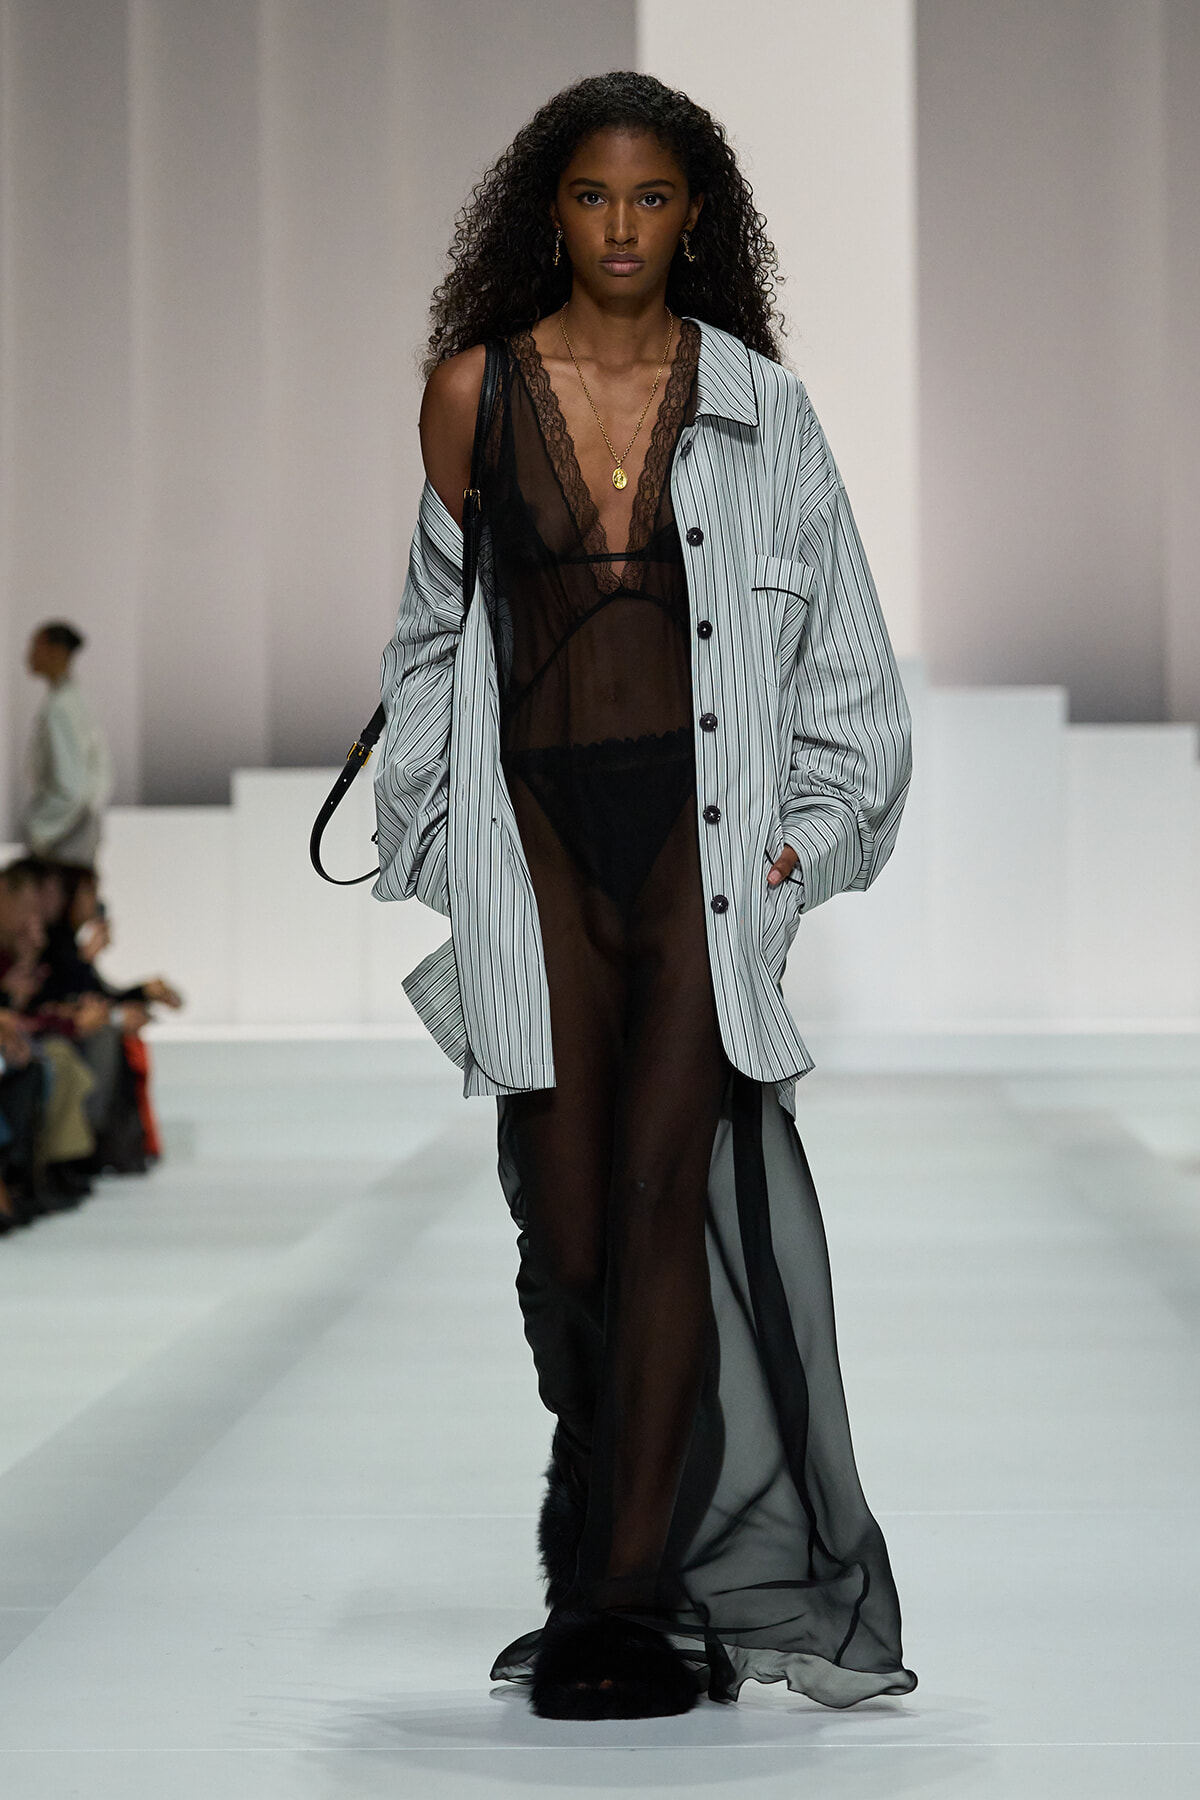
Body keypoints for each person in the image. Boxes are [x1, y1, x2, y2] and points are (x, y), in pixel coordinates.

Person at [374, 71, 915, 1720]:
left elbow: (848, 667)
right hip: (535, 835)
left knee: (665, 1203)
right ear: (551, 212)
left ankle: (619, 1604)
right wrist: (436, 839)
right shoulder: (470, 393)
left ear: (699, 219)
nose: (622, 229)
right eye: (594, 200)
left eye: (653, 200)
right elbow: (424, 636)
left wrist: (807, 845)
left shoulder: (763, 409)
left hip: (696, 843)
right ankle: (619, 1530)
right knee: (575, 1227)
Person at [23, 622, 111, 866]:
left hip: (65, 831)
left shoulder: (61, 708)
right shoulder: (74, 701)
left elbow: (71, 785)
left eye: (35, 646)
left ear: (56, 651)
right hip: (77, 825)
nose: (29, 655)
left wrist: (39, 828)